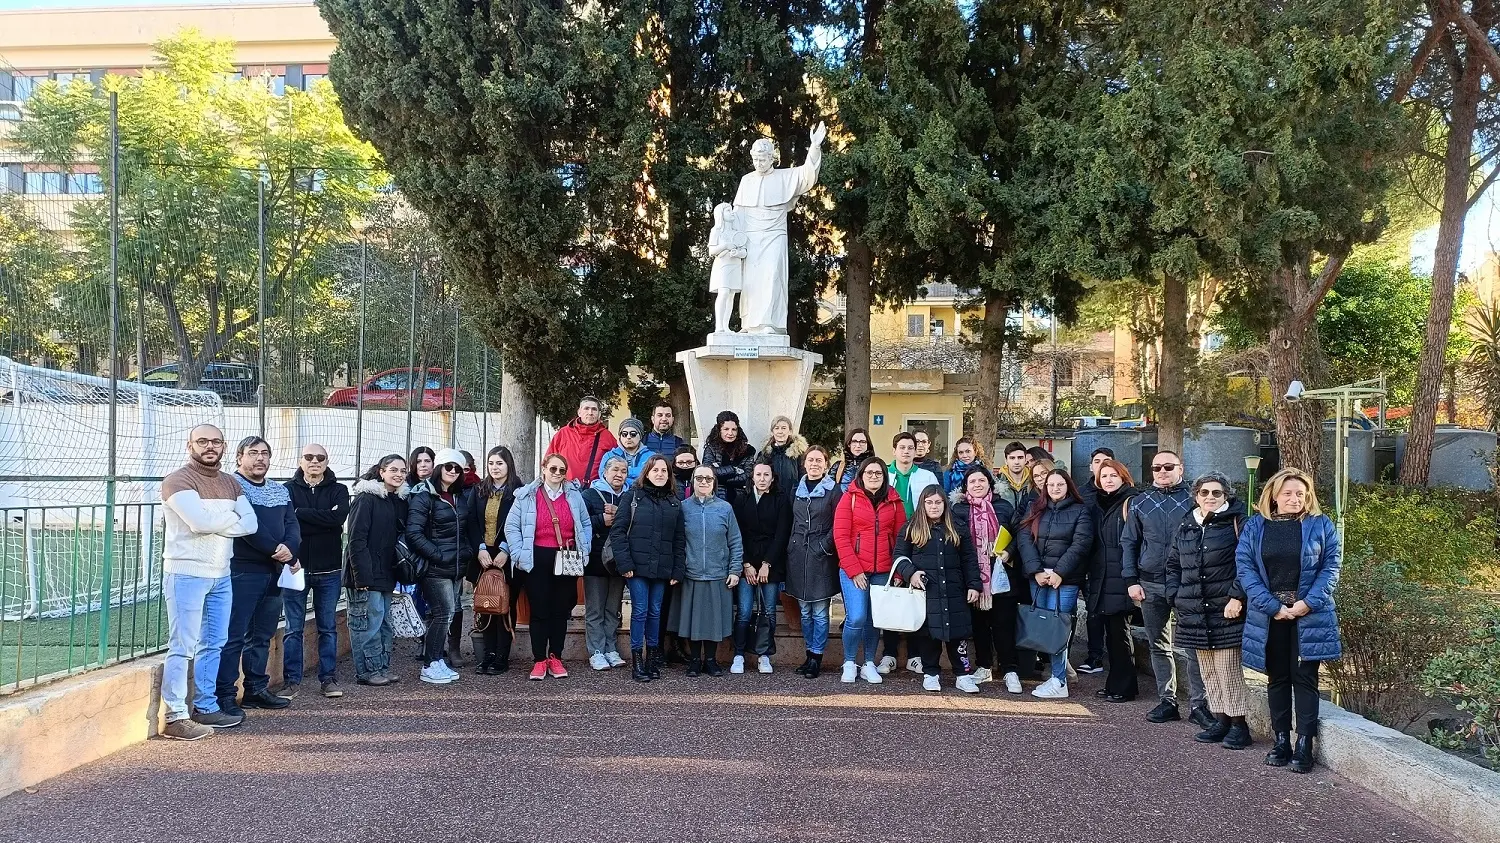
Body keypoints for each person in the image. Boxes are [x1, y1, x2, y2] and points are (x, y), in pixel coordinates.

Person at [1237, 468, 1342, 774]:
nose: (1295, 499)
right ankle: (1281, 740)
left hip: (1309, 615)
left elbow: (1331, 567)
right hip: (1270, 616)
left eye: (1300, 493)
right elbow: (1245, 569)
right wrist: (1272, 606)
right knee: (1278, 678)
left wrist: (1308, 603)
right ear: (1273, 495)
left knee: (1305, 678)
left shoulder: (1321, 525)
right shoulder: (1256, 526)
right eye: (1288, 493)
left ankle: (1304, 744)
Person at [158, 424, 257, 740]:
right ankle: (175, 716)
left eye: (215, 441)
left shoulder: (231, 482)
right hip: (186, 574)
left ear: (224, 447)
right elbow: (198, 523)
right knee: (183, 645)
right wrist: (230, 519)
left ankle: (205, 706)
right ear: (190, 446)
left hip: (221, 575)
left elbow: (251, 524)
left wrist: (215, 523)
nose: (209, 446)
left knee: (214, 643)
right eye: (202, 441)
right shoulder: (178, 480)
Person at [1122, 449, 1211, 728]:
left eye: (1168, 467)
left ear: (1180, 468)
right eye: (1156, 467)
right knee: (1159, 645)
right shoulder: (1139, 502)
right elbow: (1129, 542)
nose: (1162, 472)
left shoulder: (1196, 500)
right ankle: (1167, 701)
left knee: (1194, 647)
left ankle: (1199, 704)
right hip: (1149, 583)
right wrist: (1131, 580)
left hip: (1187, 583)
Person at [1167, 472, 1252, 750]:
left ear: (1226, 495)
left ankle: (1239, 726)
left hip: (1226, 608)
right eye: (1204, 492)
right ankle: (1221, 720)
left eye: (1217, 493)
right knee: (1209, 670)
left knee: (1228, 668)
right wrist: (1175, 596)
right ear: (1196, 496)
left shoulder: (1239, 523)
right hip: (1193, 608)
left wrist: (1237, 596)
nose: (1210, 497)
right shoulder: (1187, 524)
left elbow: (1248, 564)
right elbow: (1173, 564)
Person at [217, 436, 299, 715]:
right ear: (239, 457)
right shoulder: (232, 485)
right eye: (253, 453)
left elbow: (292, 524)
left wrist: (290, 549)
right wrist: (277, 550)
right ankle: (225, 695)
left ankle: (255, 690)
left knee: (262, 635)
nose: (260, 458)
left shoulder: (279, 490)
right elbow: (247, 527)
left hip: (274, 572)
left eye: (265, 453)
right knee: (234, 636)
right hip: (243, 571)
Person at [505, 452, 593, 680]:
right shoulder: (527, 495)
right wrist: (518, 552)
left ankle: (556, 657)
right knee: (539, 610)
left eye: (562, 470)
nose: (557, 473)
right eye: (553, 468)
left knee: (560, 610)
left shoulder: (574, 495)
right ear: (544, 468)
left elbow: (585, 523)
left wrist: (585, 547)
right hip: (537, 557)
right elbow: (511, 526)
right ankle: (539, 660)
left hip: (566, 557)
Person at [279, 443, 350, 700]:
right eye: (309, 457)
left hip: (329, 570)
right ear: (301, 461)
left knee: (328, 627)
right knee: (292, 629)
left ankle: (328, 679)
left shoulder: (339, 490)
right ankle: (291, 682)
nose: (314, 461)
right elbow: (286, 523)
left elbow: (337, 519)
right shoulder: (286, 490)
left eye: (320, 457)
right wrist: (322, 519)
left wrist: (300, 514)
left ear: (326, 461)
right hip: (294, 568)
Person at [897, 483, 982, 693]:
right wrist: (910, 573)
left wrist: (974, 584)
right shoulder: (911, 528)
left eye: (938, 502)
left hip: (955, 591)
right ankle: (931, 673)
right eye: (929, 502)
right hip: (927, 592)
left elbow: (969, 559)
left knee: (958, 634)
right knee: (928, 635)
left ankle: (963, 675)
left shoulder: (958, 527)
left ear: (945, 504)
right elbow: (899, 557)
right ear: (922, 504)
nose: (934, 507)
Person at [1017, 469, 1093, 699]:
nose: (1055, 488)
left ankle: (1059, 680)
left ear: (1068, 486)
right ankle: (1055, 676)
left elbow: (1081, 543)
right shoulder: (1035, 508)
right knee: (1043, 627)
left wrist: (1060, 572)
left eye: (1060, 484)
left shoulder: (1080, 510)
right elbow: (1024, 539)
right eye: (1050, 484)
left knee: (1058, 629)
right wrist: (1036, 570)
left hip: (1065, 580)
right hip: (1039, 577)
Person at [611, 454, 687, 682]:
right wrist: (625, 564)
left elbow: (679, 539)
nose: (660, 474)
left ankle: (652, 659)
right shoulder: (632, 497)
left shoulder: (674, 502)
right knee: (640, 611)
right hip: (636, 567)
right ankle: (637, 661)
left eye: (664, 471)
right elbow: (618, 532)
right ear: (647, 473)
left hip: (662, 568)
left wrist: (678, 569)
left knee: (655, 611)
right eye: (655, 470)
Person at [833, 456, 907, 684]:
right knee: (856, 617)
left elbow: (901, 539)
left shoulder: (894, 501)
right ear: (861, 475)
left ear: (884, 477)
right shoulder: (849, 498)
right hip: (854, 570)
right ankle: (849, 662)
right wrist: (854, 570)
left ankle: (868, 663)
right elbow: (840, 537)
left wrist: (898, 572)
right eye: (869, 472)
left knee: (875, 620)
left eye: (878, 473)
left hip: (883, 571)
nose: (873, 476)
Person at [406, 448, 477, 684]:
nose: (453, 471)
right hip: (435, 567)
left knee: (446, 614)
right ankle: (429, 664)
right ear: (439, 468)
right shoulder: (424, 496)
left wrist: (466, 552)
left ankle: (436, 660)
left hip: (455, 567)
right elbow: (414, 533)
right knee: (443, 613)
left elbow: (465, 529)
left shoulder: (458, 496)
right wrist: (437, 555)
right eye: (449, 467)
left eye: (458, 468)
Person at [951, 464, 1020, 693]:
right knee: (978, 625)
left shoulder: (1004, 507)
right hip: (972, 575)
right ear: (965, 487)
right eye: (972, 481)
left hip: (1001, 574)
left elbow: (1019, 534)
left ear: (990, 483)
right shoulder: (958, 510)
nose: (977, 485)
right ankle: (984, 666)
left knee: (1004, 624)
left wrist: (1009, 551)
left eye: (982, 480)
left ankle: (1010, 669)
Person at [671, 467, 744, 676]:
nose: (704, 482)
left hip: (717, 573)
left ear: (714, 482)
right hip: (691, 573)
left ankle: (711, 660)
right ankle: (694, 660)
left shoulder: (725, 508)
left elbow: (735, 541)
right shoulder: (683, 507)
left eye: (708, 478)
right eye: (699, 478)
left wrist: (735, 570)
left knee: (713, 621)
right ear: (693, 481)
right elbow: (676, 541)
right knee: (693, 621)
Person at [345, 455, 410, 687]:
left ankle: (382, 667)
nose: (399, 474)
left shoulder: (398, 500)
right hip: (365, 574)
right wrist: (361, 575)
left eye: (403, 471)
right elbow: (356, 540)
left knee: (384, 623)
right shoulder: (366, 499)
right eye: (393, 470)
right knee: (367, 624)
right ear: (381, 472)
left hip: (386, 573)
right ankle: (367, 671)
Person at [881, 431, 942, 673]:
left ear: (916, 451)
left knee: (916, 597)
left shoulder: (927, 476)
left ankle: (915, 655)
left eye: (910, 447)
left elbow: (936, 506)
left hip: (919, 541)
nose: (906, 451)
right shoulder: (884, 473)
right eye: (902, 447)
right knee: (892, 595)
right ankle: (889, 653)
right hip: (888, 541)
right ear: (894, 450)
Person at [785, 445, 842, 679]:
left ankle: (816, 657)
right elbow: (791, 519)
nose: (815, 464)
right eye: (811, 460)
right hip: (798, 554)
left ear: (826, 464)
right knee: (805, 611)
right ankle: (809, 653)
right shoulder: (795, 489)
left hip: (821, 554)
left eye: (819, 460)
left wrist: (824, 546)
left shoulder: (834, 491)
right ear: (804, 463)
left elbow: (839, 523)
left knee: (819, 611)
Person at [731, 461, 791, 674]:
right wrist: (746, 564)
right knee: (744, 611)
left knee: (769, 611)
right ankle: (738, 654)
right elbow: (737, 534)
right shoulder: (741, 499)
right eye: (758, 474)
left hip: (771, 563)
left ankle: (764, 655)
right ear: (752, 477)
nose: (762, 478)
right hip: (746, 562)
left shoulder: (781, 500)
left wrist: (767, 564)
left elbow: (782, 534)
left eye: (766, 474)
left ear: (772, 478)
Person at [1088, 458, 1140, 702]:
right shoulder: (1099, 503)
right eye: (1104, 476)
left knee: (1120, 634)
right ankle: (1114, 683)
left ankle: (1125, 687)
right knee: (1112, 634)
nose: (1108, 480)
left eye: (1113, 476)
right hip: (1103, 577)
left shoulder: (1132, 502)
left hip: (1122, 576)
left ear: (1123, 477)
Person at [469, 446, 523, 675]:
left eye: (499, 463)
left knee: (505, 605)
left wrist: (506, 550)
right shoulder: (479, 489)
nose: (495, 468)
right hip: (482, 556)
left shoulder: (519, 491)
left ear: (508, 465)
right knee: (485, 604)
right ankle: (487, 654)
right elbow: (471, 521)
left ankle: (502, 656)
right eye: (491, 463)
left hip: (508, 555)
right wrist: (480, 548)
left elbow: (521, 523)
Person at [582, 455, 630, 670]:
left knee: (613, 609)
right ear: (605, 472)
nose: (619, 474)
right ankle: (596, 651)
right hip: (595, 560)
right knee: (595, 609)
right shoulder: (590, 494)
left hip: (619, 560)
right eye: (615, 470)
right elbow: (579, 523)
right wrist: (601, 520)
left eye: (623, 471)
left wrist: (619, 515)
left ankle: (611, 648)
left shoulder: (629, 496)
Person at [1075, 446, 1115, 676]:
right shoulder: (1081, 493)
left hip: (1111, 561)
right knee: (1092, 611)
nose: (1102, 465)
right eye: (1097, 461)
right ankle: (1094, 656)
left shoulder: (1122, 493)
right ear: (1091, 467)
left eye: (1107, 461)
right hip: (1085, 560)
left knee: (1111, 612)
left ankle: (1114, 658)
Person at [546, 395, 619, 484]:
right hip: (564, 488)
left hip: (594, 489)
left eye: (594, 409)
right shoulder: (563, 434)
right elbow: (548, 462)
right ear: (579, 412)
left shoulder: (607, 437)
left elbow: (618, 463)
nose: (590, 412)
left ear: (599, 414)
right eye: (586, 408)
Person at [701, 410, 756, 505]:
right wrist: (733, 470)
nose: (730, 433)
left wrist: (722, 478)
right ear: (719, 430)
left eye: (734, 429)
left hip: (741, 498)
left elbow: (748, 475)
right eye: (726, 429)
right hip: (716, 497)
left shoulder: (748, 450)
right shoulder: (711, 449)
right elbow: (708, 472)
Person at [758, 414, 808, 495]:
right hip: (771, 497)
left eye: (784, 428)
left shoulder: (799, 453)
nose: (780, 431)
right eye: (776, 428)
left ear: (790, 431)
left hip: (792, 497)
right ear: (772, 432)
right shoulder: (765, 454)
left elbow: (804, 476)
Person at [598, 417, 653, 486]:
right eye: (624, 434)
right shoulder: (609, 455)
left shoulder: (651, 456)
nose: (628, 437)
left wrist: (623, 473)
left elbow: (652, 477)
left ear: (640, 436)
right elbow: (604, 476)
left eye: (633, 434)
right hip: (616, 492)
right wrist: (639, 474)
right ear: (620, 436)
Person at [995, 442, 1032, 512]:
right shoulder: (996, 483)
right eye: (1012, 458)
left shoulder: (1034, 482)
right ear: (1006, 461)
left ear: (1025, 460)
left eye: (1020, 458)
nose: (1016, 462)